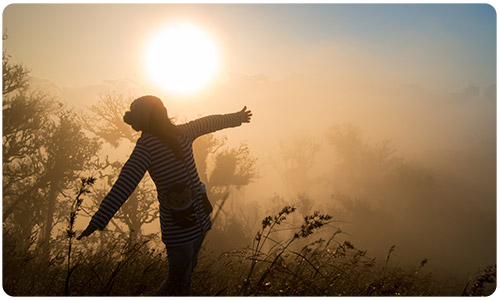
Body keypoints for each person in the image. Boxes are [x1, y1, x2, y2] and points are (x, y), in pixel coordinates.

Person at [77, 95, 252, 295]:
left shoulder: (182, 133)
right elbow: (124, 185)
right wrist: (99, 219)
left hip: (200, 218)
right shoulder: (147, 147)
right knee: (177, 279)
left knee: (186, 275)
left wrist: (237, 117)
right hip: (178, 225)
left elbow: (210, 122)